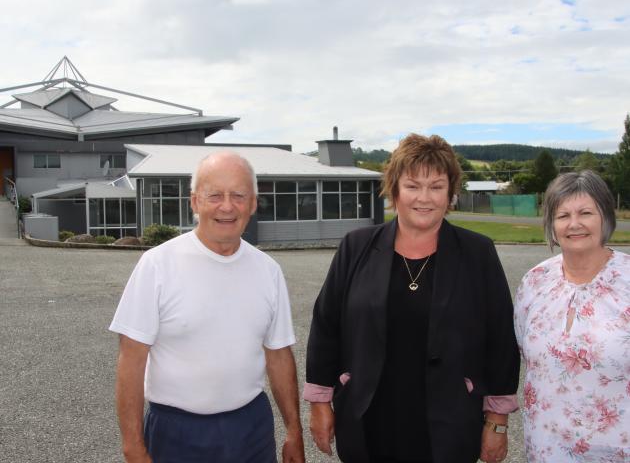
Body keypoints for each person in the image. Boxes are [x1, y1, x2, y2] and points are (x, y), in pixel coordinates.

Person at [304, 134, 520, 463]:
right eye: (412, 185)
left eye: (436, 186)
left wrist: (497, 421)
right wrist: (320, 403)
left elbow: (501, 339)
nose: (424, 198)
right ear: (395, 190)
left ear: (451, 193)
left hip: (449, 423)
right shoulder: (356, 247)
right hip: (369, 418)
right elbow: (325, 327)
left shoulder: (478, 252)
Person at [110, 152, 305, 463]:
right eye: (214, 195)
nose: (226, 206)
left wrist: (295, 432)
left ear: (253, 203)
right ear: (194, 202)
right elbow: (131, 359)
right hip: (176, 432)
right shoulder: (157, 265)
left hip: (251, 428)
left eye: (238, 195)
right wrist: (133, 446)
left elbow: (279, 355)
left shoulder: (268, 271)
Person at [514, 170, 630, 462]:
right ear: (552, 225)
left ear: (605, 217)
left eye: (586, 213)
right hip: (547, 448)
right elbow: (523, 350)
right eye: (563, 215)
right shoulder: (534, 282)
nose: (574, 224)